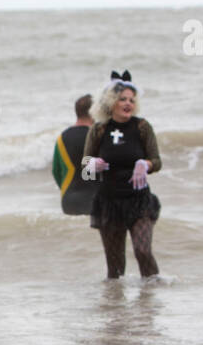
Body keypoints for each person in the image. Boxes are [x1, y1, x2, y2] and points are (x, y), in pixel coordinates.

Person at [82, 71, 161, 279]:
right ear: (111, 102)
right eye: (123, 99)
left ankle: (151, 299)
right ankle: (116, 307)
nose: (128, 104)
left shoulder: (142, 127)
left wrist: (145, 164)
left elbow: (157, 161)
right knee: (115, 266)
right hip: (109, 202)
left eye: (132, 100)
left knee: (142, 251)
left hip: (139, 200)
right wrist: (93, 166)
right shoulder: (98, 130)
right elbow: (85, 170)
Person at [52, 95, 97, 216]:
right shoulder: (96, 136)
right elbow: (93, 172)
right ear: (94, 112)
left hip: (69, 199)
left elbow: (56, 171)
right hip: (93, 199)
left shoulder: (62, 137)